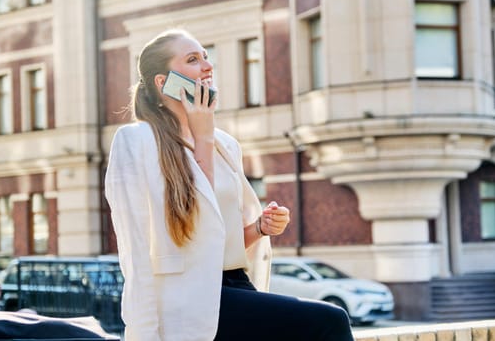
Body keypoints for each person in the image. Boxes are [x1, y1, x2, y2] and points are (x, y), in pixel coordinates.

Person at [105, 28, 354, 341]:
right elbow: (136, 250)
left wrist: (259, 228)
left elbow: (218, 240)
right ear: (163, 82)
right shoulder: (136, 141)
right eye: (193, 60)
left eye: (206, 57)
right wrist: (143, 332)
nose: (207, 66)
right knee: (328, 321)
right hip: (188, 298)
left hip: (237, 285)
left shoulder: (226, 145)